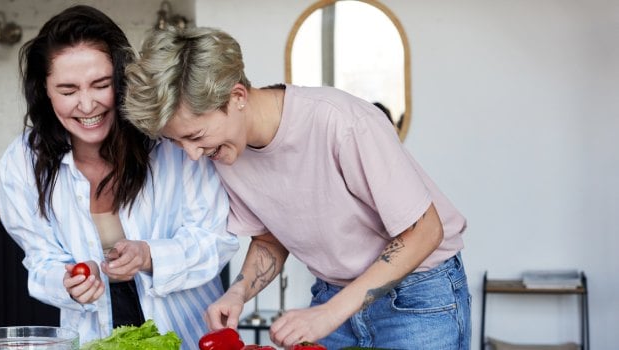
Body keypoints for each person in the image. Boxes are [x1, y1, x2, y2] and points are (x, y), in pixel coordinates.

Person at [122, 26, 470, 350]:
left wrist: (331, 312)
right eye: (178, 141)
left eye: (196, 136)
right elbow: (271, 236)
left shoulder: (341, 122)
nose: (193, 155)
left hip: (418, 297)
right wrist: (239, 293)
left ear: (237, 96)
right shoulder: (227, 153)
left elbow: (425, 230)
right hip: (334, 295)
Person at [0, 6, 238, 348]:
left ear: (122, 80)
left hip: (188, 333)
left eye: (101, 85)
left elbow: (216, 240)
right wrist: (67, 283)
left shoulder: (170, 142)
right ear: (45, 92)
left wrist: (150, 256)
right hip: (94, 338)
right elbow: (41, 260)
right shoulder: (22, 162)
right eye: (67, 91)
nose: (87, 104)